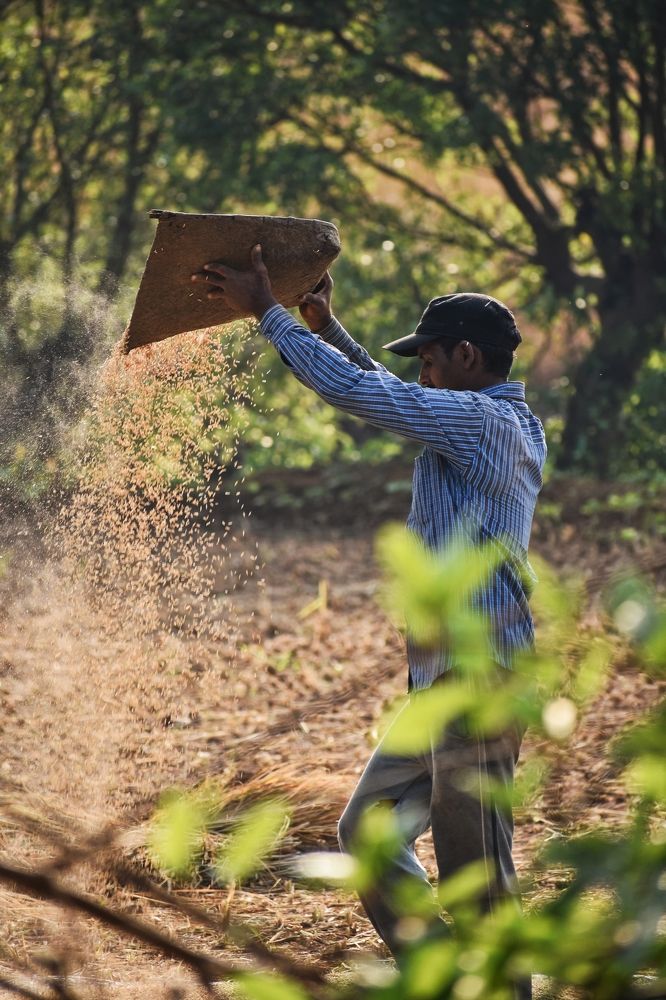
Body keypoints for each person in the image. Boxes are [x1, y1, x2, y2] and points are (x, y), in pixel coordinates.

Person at [192, 247, 546, 999]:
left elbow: (365, 395)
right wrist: (328, 331)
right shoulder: (480, 419)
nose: (424, 375)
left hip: (480, 680)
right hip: (443, 683)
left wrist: (269, 314)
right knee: (368, 832)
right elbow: (388, 394)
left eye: (430, 361)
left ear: (467, 356)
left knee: (478, 880)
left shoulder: (486, 423)